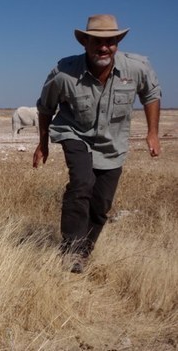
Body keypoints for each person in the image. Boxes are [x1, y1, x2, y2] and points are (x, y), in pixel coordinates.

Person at [32, 14, 161, 273]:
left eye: (110, 41)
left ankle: (83, 253)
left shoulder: (137, 68)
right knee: (81, 184)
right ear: (85, 43)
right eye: (97, 42)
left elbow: (151, 94)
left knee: (101, 204)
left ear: (117, 43)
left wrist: (153, 132)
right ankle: (70, 252)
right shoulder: (63, 73)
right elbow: (46, 107)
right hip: (74, 132)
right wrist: (42, 143)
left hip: (112, 141)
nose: (104, 47)